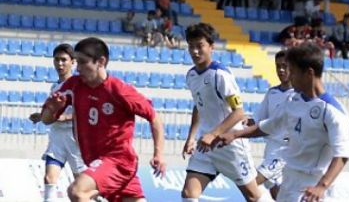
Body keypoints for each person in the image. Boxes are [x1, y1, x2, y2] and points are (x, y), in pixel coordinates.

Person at [217, 43, 349, 202]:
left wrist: (321, 186)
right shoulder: (293, 100)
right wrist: (235, 134)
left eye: (294, 72)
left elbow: (343, 153)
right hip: (289, 180)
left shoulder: (333, 111)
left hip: (311, 187)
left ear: (309, 73)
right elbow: (270, 125)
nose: (289, 77)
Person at [40, 37, 166, 202]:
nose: (78, 69)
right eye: (77, 62)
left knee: (77, 191)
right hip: (97, 161)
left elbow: (154, 118)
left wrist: (159, 154)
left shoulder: (120, 91)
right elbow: (46, 120)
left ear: (100, 61)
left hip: (118, 161)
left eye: (83, 62)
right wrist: (52, 109)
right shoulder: (74, 85)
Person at [181, 23, 262, 202]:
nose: (194, 51)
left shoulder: (221, 75)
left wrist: (213, 134)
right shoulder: (191, 75)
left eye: (199, 45)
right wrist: (191, 137)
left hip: (229, 146)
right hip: (205, 146)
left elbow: (239, 112)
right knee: (189, 194)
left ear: (211, 47)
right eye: (191, 46)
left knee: (254, 197)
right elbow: (198, 105)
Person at [29, 44, 86, 202]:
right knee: (49, 179)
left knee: (80, 185)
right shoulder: (55, 86)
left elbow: (85, 111)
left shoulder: (79, 85)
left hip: (74, 138)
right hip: (56, 137)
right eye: (56, 60)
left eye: (63, 60)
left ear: (73, 62)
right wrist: (41, 116)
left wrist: (66, 118)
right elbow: (53, 110)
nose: (59, 64)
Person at [249, 50, 293, 200]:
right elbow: (257, 119)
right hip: (270, 148)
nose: (280, 70)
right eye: (278, 66)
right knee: (277, 195)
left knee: (251, 185)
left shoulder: (299, 95)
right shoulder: (272, 93)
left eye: (284, 66)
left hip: (285, 150)